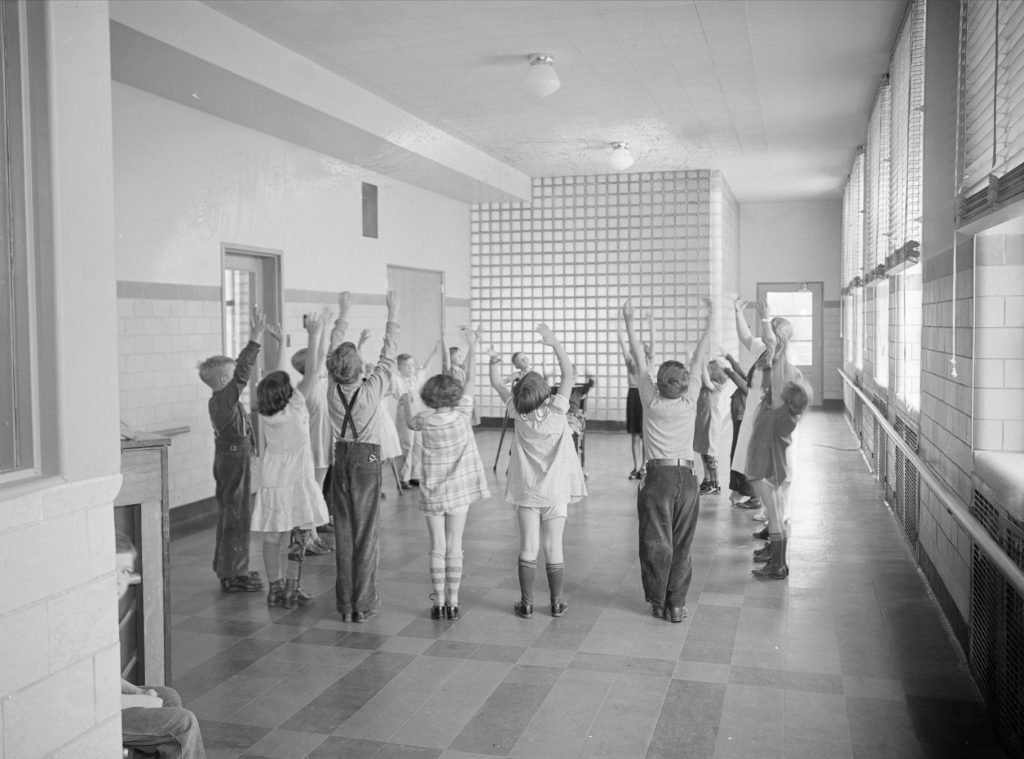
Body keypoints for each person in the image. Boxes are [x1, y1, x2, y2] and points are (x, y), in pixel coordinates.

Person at [622, 296, 712, 623]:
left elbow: (638, 357)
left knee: (655, 542)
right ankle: (677, 604)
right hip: (687, 479)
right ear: (685, 384)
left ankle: (657, 601)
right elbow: (700, 357)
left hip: (656, 479)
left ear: (658, 385)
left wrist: (630, 321)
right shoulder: (690, 400)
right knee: (682, 543)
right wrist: (712, 317)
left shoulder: (649, 399)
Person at [489, 324, 586, 619]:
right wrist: (554, 343)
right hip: (555, 492)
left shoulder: (517, 412)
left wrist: (493, 363)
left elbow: (497, 384)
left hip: (527, 491)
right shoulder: (558, 409)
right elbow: (569, 374)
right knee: (553, 546)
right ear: (545, 390)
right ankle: (557, 602)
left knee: (528, 546)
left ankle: (527, 602)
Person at [401, 328, 489, 621]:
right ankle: (453, 600)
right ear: (454, 395)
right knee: (455, 547)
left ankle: (438, 601)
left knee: (436, 548)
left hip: (432, 493)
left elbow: (411, 424)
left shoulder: (424, 419)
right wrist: (473, 346)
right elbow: (472, 380)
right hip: (459, 494)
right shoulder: (463, 414)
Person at [325, 289, 399, 622]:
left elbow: (334, 346)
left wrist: (344, 311)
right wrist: (392, 314)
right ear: (360, 369)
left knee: (343, 532)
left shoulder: (331, 387)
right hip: (367, 460)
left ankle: (345, 606)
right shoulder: (372, 389)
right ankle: (363, 604)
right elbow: (389, 356)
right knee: (366, 533)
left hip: (340, 458)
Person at [252, 320, 331, 608]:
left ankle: (273, 588)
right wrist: (313, 335)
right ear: (288, 393)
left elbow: (273, 377)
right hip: (298, 478)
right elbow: (311, 371)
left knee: (272, 536)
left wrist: (278, 343)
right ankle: (292, 587)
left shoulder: (265, 412)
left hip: (273, 479)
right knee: (299, 533)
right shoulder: (296, 406)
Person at [197, 306, 266, 594]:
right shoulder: (224, 399)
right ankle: (233, 573)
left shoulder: (221, 401)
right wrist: (255, 338)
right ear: (224, 382)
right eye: (233, 377)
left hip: (231, 455)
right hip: (233, 457)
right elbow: (242, 372)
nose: (239, 382)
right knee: (237, 514)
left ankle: (230, 568)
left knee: (233, 512)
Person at [118, 534, 206, 758]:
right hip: (90, 716)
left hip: (108, 704)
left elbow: (104, 676)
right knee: (183, 723)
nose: (119, 581)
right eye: (112, 571)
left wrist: (136, 691)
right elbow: (93, 700)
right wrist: (139, 700)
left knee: (168, 697)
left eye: (125, 571)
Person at [731, 297, 801, 531]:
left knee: (780, 473)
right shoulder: (764, 351)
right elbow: (745, 337)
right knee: (761, 470)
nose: (767, 336)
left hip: (775, 425)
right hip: (757, 421)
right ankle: (769, 510)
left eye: (771, 332)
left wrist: (764, 319)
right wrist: (737, 312)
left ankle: (781, 516)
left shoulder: (785, 361)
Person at [748, 379, 810, 579]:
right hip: (773, 469)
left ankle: (777, 566)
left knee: (775, 517)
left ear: (785, 402)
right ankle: (779, 562)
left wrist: (776, 353)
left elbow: (773, 385)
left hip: (766, 471)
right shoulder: (785, 415)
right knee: (778, 515)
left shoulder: (779, 414)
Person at [391, 344, 438, 488]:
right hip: (405, 415)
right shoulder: (397, 380)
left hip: (417, 414)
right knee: (407, 445)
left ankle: (414, 475)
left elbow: (425, 368)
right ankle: (403, 477)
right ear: (399, 368)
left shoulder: (415, 379)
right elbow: (389, 373)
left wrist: (434, 353)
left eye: (412, 365)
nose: (411, 368)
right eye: (406, 366)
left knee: (418, 444)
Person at [618, 323, 654, 479]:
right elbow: (624, 344)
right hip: (633, 395)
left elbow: (652, 343)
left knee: (645, 435)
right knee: (635, 435)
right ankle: (636, 467)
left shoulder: (649, 360)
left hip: (646, 395)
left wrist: (651, 321)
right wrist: (620, 331)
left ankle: (644, 465)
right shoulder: (630, 361)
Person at [693, 358, 732, 496]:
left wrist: (702, 362)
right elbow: (698, 376)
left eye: (709, 369)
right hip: (704, 420)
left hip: (711, 422)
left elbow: (705, 377)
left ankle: (715, 484)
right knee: (704, 452)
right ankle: (707, 480)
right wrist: (693, 358)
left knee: (710, 454)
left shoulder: (715, 385)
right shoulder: (705, 384)